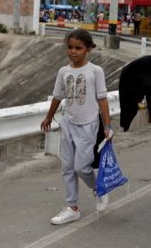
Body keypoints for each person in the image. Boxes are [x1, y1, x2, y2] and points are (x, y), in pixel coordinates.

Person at [41, 29, 113, 225]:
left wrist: (107, 126)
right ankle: (72, 207)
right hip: (68, 123)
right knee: (67, 168)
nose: (73, 51)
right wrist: (49, 117)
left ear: (88, 49)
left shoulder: (95, 71)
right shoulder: (63, 72)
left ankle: (99, 188)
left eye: (78, 48)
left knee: (82, 167)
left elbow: (102, 100)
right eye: (70, 47)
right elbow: (57, 97)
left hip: (88, 125)